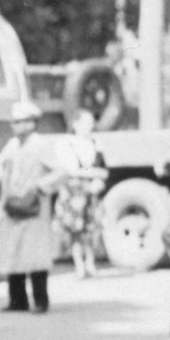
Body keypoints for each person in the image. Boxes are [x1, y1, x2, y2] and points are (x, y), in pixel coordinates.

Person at [0, 99, 67, 311]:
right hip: (13, 206)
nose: (14, 126)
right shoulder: (12, 145)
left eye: (19, 122)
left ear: (31, 123)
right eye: (14, 122)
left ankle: (41, 301)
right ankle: (17, 301)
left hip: (34, 207)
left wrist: (40, 187)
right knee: (12, 252)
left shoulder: (41, 145)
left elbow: (62, 171)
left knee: (36, 255)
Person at [55, 109, 108, 279]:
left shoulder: (96, 144)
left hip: (92, 191)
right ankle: (78, 264)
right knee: (75, 230)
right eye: (86, 122)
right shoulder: (67, 143)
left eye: (91, 122)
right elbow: (71, 170)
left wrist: (97, 178)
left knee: (92, 229)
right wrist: (93, 173)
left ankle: (90, 262)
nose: (89, 126)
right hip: (74, 192)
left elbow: (104, 170)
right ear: (76, 124)